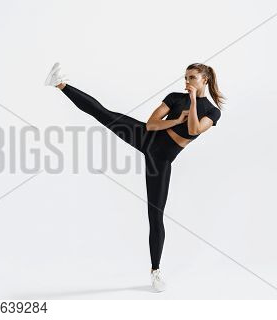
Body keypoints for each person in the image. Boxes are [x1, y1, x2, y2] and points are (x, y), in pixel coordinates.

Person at [44, 62, 225, 292]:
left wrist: (191, 103)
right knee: (103, 113)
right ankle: (60, 84)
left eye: (192, 78)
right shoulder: (174, 98)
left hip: (161, 160)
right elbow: (151, 124)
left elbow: (194, 130)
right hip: (144, 137)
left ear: (204, 80)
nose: (187, 82)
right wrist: (176, 120)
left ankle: (155, 272)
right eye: (185, 77)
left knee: (155, 214)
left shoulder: (212, 111)